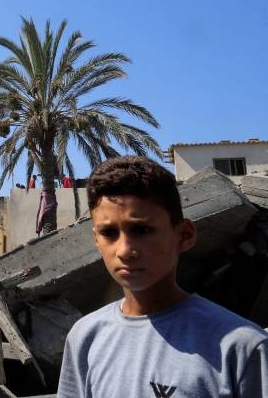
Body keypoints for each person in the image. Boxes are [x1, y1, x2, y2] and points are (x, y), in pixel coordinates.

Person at [58, 156, 268, 397]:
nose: (124, 250)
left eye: (142, 230)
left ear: (184, 235)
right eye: (109, 233)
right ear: (96, 240)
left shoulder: (243, 347)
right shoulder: (85, 336)